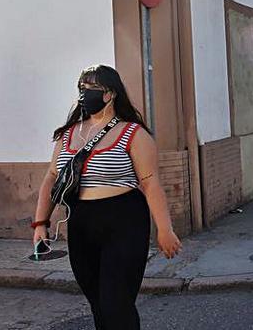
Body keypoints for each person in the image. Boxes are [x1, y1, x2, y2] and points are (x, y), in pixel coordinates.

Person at [32, 64, 181, 329]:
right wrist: (40, 224)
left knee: (117, 303)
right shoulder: (68, 134)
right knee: (98, 302)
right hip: (80, 223)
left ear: (110, 94)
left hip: (124, 220)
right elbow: (51, 178)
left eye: (91, 88)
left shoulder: (133, 133)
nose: (83, 94)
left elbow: (150, 184)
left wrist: (165, 229)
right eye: (81, 88)